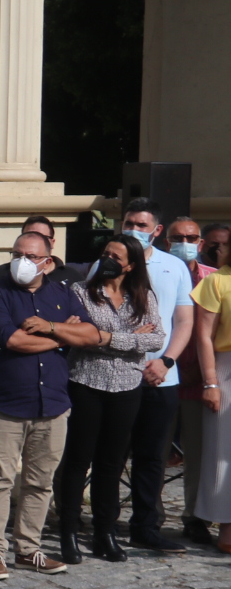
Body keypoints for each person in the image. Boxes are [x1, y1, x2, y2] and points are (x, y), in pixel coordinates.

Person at [0, 231, 98, 577]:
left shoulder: (62, 294)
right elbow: (14, 341)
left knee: (40, 482)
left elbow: (91, 335)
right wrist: (62, 337)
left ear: (47, 262)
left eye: (30, 256)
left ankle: (28, 549)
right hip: (5, 404)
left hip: (53, 404)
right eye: (17, 254)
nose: (21, 262)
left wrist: (49, 327)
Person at [54, 237, 164, 565]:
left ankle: (105, 531)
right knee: (77, 461)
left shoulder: (143, 295)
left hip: (126, 387)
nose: (108, 259)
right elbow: (78, 337)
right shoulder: (80, 292)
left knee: (112, 463)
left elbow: (156, 339)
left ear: (130, 265)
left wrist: (106, 338)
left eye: (116, 256)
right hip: (85, 383)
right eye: (105, 254)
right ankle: (69, 531)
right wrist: (128, 339)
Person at [117, 199, 193, 552]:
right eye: (129, 223)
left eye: (142, 225)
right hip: (117, 375)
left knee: (152, 458)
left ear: (157, 230)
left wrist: (166, 361)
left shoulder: (174, 266)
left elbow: (184, 321)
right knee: (112, 454)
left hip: (162, 378)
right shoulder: (107, 263)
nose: (134, 230)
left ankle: (145, 526)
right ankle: (103, 524)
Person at [172, 216, 217, 544]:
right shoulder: (150, 273)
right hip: (159, 376)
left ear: (200, 243)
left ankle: (195, 517)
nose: (185, 243)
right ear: (166, 241)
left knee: (199, 455)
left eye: (191, 238)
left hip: (200, 380)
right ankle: (149, 516)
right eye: (178, 237)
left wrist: (203, 372)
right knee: (152, 452)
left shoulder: (214, 279)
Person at [192, 259, 231, 551]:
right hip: (226, 369)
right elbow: (204, 335)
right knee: (223, 453)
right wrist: (211, 383)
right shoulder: (217, 281)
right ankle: (226, 525)